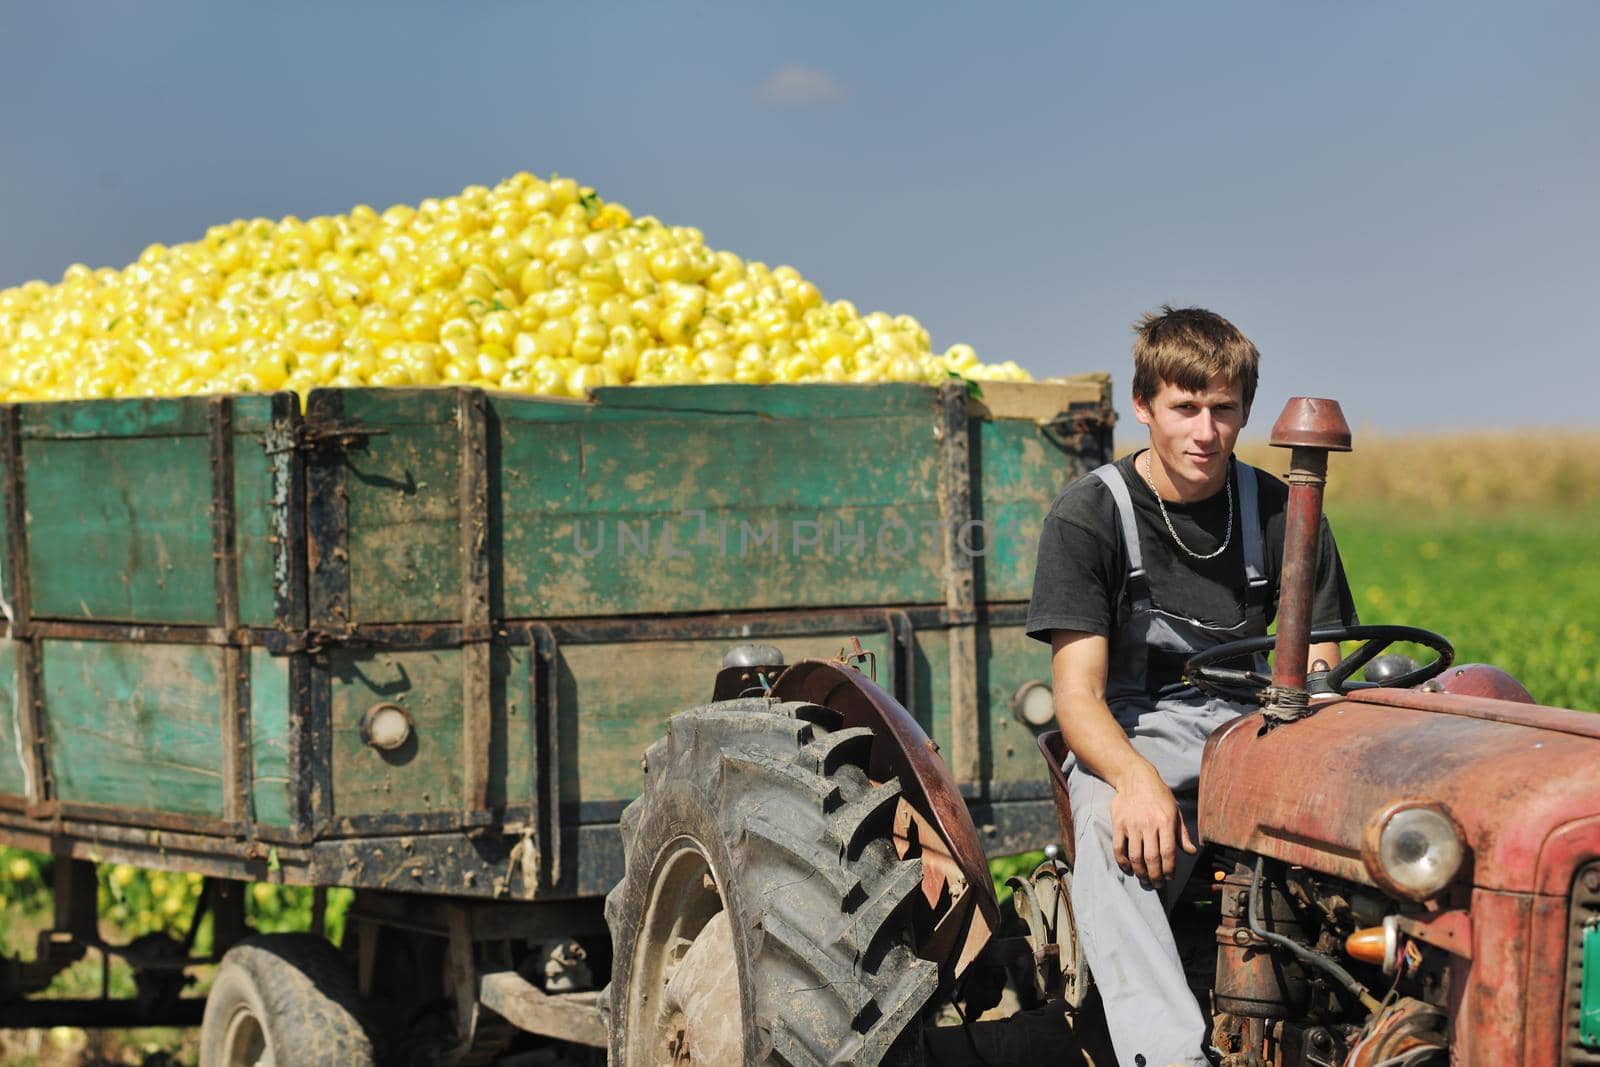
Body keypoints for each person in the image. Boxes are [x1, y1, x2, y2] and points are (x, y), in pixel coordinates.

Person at [1025, 306, 1358, 1067]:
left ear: (1244, 411)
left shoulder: (1281, 507)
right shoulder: (1090, 516)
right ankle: (1171, 1055)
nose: (1204, 431)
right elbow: (1078, 695)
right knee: (1116, 835)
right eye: (1184, 408)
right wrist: (1134, 778)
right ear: (1144, 408)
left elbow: (1321, 660)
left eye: (1223, 409)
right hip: (1138, 732)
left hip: (1259, 727)